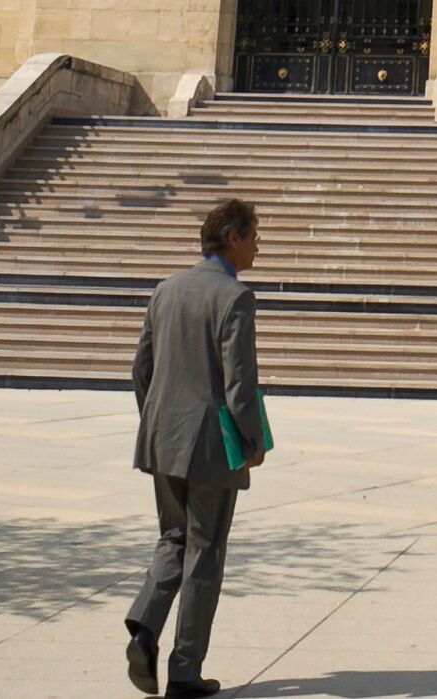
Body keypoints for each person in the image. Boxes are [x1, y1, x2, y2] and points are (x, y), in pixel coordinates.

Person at [126, 196, 270, 696]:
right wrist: (252, 440)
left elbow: (140, 369)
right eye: (254, 236)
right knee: (205, 551)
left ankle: (144, 627)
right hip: (211, 446)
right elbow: (239, 384)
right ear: (232, 238)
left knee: (173, 539)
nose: (258, 246)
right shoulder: (234, 298)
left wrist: (157, 419)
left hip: (163, 441)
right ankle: (184, 671)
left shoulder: (166, 290)